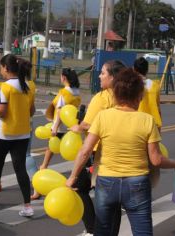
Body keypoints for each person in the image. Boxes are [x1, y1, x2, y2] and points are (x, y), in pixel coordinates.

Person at [66, 68, 175, 236]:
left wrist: (72, 177)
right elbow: (156, 160)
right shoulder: (147, 120)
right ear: (139, 96)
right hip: (137, 183)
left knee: (103, 230)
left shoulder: (103, 117)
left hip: (106, 182)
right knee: (142, 232)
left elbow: (85, 151)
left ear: (115, 94)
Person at [70, 60, 126, 236]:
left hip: (97, 152)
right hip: (119, 152)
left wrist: (76, 127)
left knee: (77, 187)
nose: (99, 76)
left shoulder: (101, 98)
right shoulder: (126, 97)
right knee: (114, 200)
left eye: (103, 73)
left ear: (113, 77)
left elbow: (88, 124)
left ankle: (92, 229)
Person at [0, 54, 35, 217]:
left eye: (2, 67)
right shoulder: (28, 86)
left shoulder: (4, 87)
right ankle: (28, 205)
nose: (1, 70)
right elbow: (32, 111)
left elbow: (0, 112)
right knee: (20, 169)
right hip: (22, 134)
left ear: (6, 68)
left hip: (3, 134)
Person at [134, 57, 162, 130]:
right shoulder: (155, 86)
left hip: (136, 124)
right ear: (147, 70)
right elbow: (158, 108)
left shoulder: (131, 85)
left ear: (134, 69)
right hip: (152, 124)